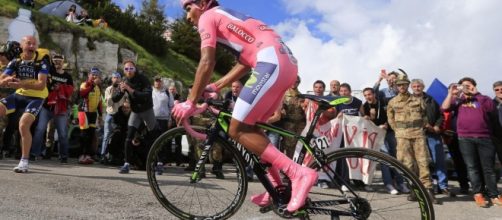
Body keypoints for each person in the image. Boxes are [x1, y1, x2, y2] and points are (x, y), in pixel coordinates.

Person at [174, 0, 317, 212]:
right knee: (253, 130)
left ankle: (299, 173)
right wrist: (217, 84)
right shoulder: (227, 16)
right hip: (285, 64)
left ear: (202, 3)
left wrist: (190, 101)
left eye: (188, 9)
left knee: (236, 128)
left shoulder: (207, 16)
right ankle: (276, 187)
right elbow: (245, 61)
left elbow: (207, 62)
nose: (187, 17)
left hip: (270, 62)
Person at [442, 77, 501, 207]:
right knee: (472, 168)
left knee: (488, 168)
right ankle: (478, 194)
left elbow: (492, 112)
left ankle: (494, 195)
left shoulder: (484, 99)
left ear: (474, 86)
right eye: (463, 85)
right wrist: (450, 94)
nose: (465, 88)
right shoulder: (458, 100)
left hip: (484, 137)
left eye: (468, 85)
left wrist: (476, 94)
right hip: (465, 138)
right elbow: (444, 108)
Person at [387, 73, 439, 204]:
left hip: (417, 134)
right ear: (397, 87)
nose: (402, 87)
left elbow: (424, 115)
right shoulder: (392, 102)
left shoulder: (418, 100)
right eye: (399, 85)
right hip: (402, 136)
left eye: (404, 84)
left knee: (423, 162)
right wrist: (398, 130)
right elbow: (390, 119)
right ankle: (414, 189)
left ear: (407, 85)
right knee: (407, 164)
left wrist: (421, 128)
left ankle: (428, 190)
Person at [0, 36, 48, 172]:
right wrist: (6, 79)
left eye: (34, 44)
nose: (32, 46)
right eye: (28, 43)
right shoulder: (16, 61)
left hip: (36, 98)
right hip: (18, 96)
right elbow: (2, 79)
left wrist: (20, 83)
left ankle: (24, 162)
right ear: (22, 46)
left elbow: (40, 84)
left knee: (23, 124)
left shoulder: (42, 61)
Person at [410, 79, 455, 197]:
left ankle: (443, 186)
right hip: (417, 135)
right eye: (414, 86)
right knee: (421, 162)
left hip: (433, 134)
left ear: (423, 86)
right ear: (411, 88)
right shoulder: (408, 101)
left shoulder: (431, 99)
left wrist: (436, 126)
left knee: (439, 160)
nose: (416, 88)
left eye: (418, 86)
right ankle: (427, 187)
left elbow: (440, 115)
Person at [113, 60, 158, 174]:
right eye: (126, 69)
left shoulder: (143, 78)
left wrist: (129, 89)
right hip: (136, 112)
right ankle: (127, 163)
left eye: (131, 69)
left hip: (147, 110)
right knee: (128, 137)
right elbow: (115, 99)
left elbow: (146, 96)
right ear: (124, 70)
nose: (129, 71)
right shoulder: (125, 80)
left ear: (135, 69)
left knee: (154, 136)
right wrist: (120, 91)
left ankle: (158, 163)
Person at [362, 87, 407, 195]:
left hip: (390, 132)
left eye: (369, 94)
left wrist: (387, 124)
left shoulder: (384, 101)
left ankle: (401, 183)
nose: (368, 97)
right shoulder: (364, 106)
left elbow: (392, 114)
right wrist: (370, 119)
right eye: (365, 95)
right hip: (378, 135)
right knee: (385, 158)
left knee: (396, 157)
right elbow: (366, 123)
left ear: (374, 94)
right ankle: (389, 184)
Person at [31, 54, 74, 163]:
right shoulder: (48, 72)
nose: (57, 63)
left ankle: (63, 156)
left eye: (60, 61)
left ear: (63, 62)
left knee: (63, 133)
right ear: (52, 62)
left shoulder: (68, 77)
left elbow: (70, 91)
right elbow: (39, 75)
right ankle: (33, 153)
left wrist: (60, 87)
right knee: (40, 130)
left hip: (60, 108)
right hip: (46, 106)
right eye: (55, 61)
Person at [78, 67, 103, 164]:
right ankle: (81, 155)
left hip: (93, 113)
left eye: (96, 74)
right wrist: (92, 85)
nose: (94, 76)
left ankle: (88, 155)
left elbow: (100, 102)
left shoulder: (98, 87)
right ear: (89, 75)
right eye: (93, 74)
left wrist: (100, 115)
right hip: (83, 112)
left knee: (91, 134)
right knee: (84, 134)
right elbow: (82, 94)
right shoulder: (85, 84)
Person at [101, 72, 126, 163]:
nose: (116, 79)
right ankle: (103, 155)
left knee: (120, 136)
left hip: (120, 115)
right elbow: (108, 104)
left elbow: (126, 101)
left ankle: (117, 156)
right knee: (106, 136)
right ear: (112, 79)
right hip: (110, 114)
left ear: (120, 79)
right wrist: (112, 94)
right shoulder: (108, 89)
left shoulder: (123, 89)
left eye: (118, 78)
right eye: (114, 77)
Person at [152, 76, 174, 174]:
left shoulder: (167, 93)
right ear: (154, 82)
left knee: (161, 142)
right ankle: (152, 162)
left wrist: (170, 119)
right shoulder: (150, 92)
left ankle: (160, 163)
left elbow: (171, 107)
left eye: (159, 81)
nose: (158, 83)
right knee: (152, 141)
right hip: (152, 120)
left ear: (162, 83)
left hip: (164, 120)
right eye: (156, 81)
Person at [281, 75, 306, 158]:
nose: (294, 83)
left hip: (299, 125)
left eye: (297, 82)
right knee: (287, 146)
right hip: (288, 124)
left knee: (296, 146)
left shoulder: (302, 96)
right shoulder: (283, 93)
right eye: (293, 81)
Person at [491, 81, 502, 169]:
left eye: (501, 89)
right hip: (495, 138)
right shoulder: (490, 104)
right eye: (497, 90)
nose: (499, 91)